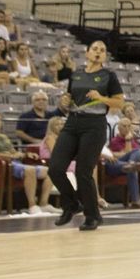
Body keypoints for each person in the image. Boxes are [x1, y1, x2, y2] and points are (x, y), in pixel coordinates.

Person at [48, 39, 125, 230]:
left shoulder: (109, 76)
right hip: (72, 122)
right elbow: (69, 99)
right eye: (95, 49)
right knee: (55, 168)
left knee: (83, 171)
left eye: (102, 50)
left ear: (105, 56)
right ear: (87, 53)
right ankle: (72, 204)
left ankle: (92, 216)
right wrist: (63, 102)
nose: (98, 52)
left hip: (94, 125)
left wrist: (101, 98)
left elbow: (119, 103)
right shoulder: (77, 75)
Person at [0, 111, 53, 215]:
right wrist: (10, 156)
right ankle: (32, 206)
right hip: (2, 166)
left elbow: (14, 152)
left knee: (50, 171)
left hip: (15, 163)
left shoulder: (4, 137)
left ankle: (43, 204)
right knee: (30, 170)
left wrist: (26, 155)